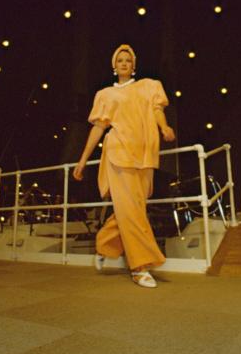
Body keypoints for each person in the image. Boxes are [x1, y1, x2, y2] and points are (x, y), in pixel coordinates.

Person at [73, 44, 176, 288]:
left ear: (133, 65)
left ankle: (105, 245)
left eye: (128, 60)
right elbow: (98, 128)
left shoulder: (149, 86)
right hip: (118, 154)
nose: (124, 63)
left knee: (134, 209)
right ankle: (140, 267)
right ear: (114, 65)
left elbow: (157, 110)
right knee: (132, 212)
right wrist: (83, 160)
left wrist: (164, 127)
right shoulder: (106, 94)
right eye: (119, 60)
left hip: (145, 156)